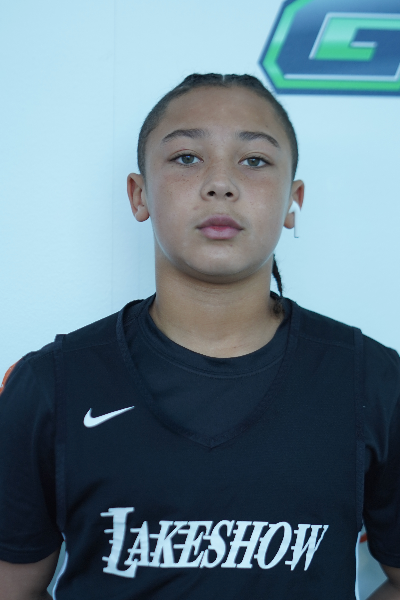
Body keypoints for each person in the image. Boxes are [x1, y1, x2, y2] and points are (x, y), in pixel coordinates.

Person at [0, 73, 399, 600]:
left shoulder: (372, 381)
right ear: (139, 194)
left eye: (254, 160)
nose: (220, 183)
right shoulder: (51, 384)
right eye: (187, 157)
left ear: (292, 201)